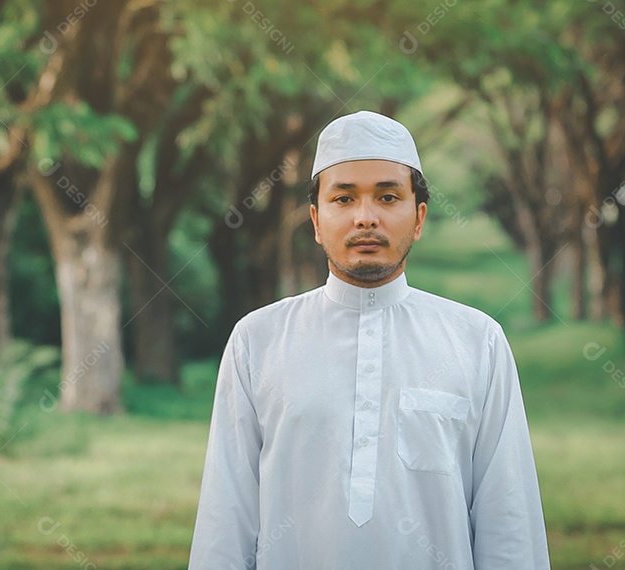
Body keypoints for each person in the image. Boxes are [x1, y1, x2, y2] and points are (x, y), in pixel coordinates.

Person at [188, 111, 550, 569]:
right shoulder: (257, 342)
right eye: (343, 198)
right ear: (317, 221)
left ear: (418, 218)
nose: (365, 217)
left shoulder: (478, 343)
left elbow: (509, 526)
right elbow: (226, 522)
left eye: (387, 196)